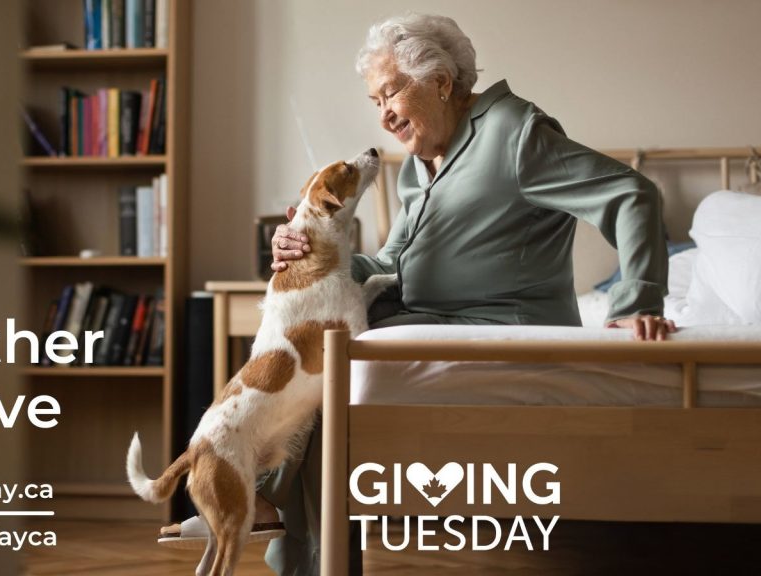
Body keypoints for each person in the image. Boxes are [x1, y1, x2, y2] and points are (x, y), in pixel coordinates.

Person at [167, 13, 676, 575]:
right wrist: (309, 253)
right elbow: (391, 264)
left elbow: (633, 194)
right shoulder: (418, 167)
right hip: (425, 315)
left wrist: (638, 301)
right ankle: (256, 497)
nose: (383, 115)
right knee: (312, 337)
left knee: (341, 354)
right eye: (374, 101)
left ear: (439, 82)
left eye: (391, 94)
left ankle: (259, 497)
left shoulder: (516, 133)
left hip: (503, 326)